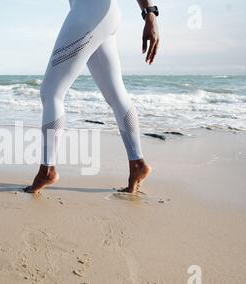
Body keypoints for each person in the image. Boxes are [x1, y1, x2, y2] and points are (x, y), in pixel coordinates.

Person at [24, 0, 159, 194]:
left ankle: (47, 169)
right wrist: (149, 15)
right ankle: (137, 163)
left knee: (51, 92)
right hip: (103, 14)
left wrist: (150, 15)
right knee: (115, 94)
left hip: (89, 11)